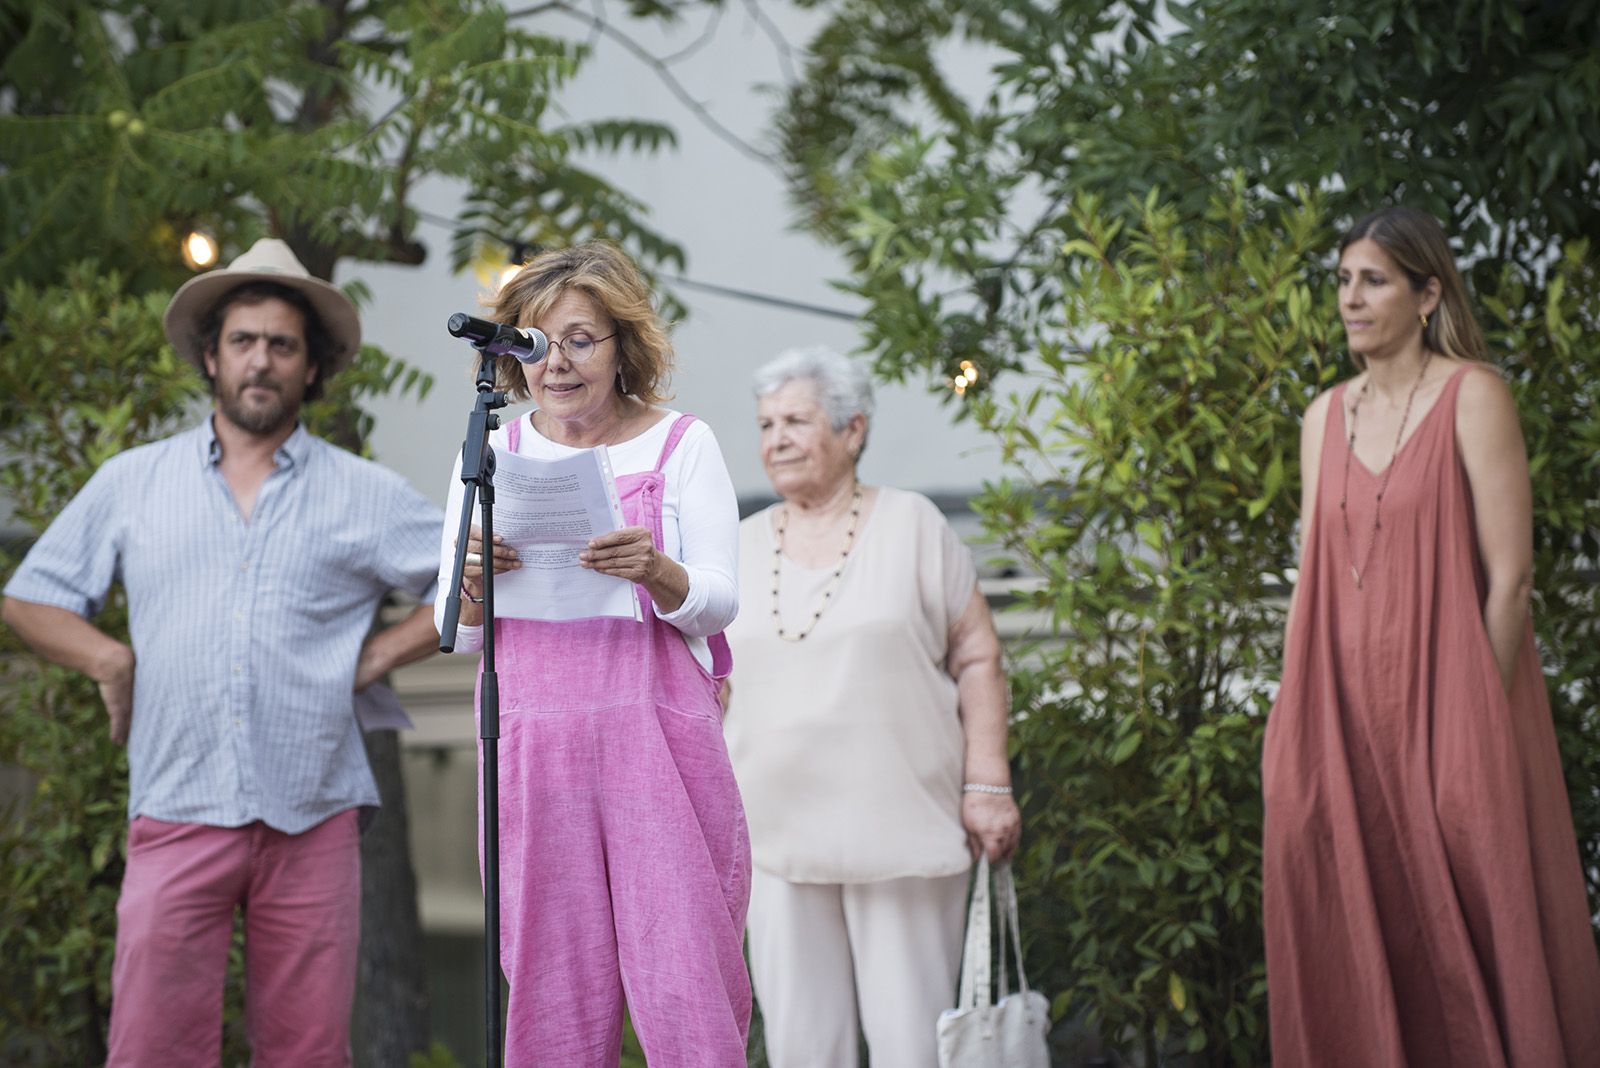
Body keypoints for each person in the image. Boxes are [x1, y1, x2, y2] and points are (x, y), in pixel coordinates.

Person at [1, 238, 444, 1066]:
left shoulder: (364, 492)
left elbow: (474, 578)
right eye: (243, 342)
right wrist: (110, 660)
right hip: (176, 803)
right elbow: (29, 596)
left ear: (312, 369)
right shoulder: (133, 481)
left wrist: (380, 654)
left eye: (283, 345)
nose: (261, 361)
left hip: (312, 808)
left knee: (306, 1053)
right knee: (151, 1049)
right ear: (211, 357)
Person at [1263, 206, 1600, 1065]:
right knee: (1354, 912)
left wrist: (1468, 716)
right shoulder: (1320, 418)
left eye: (1372, 280)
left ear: (1427, 293)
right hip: (1343, 715)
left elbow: (1511, 578)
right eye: (1342, 281)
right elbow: (1314, 579)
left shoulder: (1472, 394)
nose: (1350, 298)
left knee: (1479, 922)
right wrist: (1289, 723)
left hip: (1456, 705)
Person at [434, 241, 748, 1066]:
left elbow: (719, 599)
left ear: (622, 346)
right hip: (534, 742)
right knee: (551, 980)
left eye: (580, 339)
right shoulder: (489, 458)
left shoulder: (682, 443)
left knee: (685, 975)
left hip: (655, 743)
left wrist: (658, 569)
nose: (558, 363)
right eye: (536, 342)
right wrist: (474, 581)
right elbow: (459, 633)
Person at [720, 347, 1022, 1068]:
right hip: (775, 841)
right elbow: (712, 685)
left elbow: (978, 656)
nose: (776, 439)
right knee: (800, 1049)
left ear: (853, 430)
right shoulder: (734, 545)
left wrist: (988, 786)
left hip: (901, 835)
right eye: (765, 424)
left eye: (797, 420)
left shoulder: (914, 526)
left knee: (911, 1044)